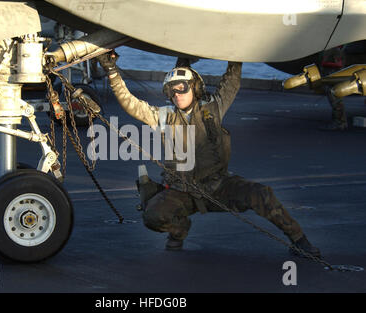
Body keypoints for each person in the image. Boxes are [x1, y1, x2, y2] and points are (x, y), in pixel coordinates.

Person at [97, 52, 321, 258]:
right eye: (171, 90)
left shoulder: (212, 109)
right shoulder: (164, 116)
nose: (177, 94)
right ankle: (179, 230)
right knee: (153, 216)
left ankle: (299, 240)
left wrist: (237, 55)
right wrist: (112, 72)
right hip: (180, 191)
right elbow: (130, 104)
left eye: (182, 88)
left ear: (194, 88)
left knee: (261, 195)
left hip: (217, 186)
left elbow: (231, 83)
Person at [319, 47, 348, 131]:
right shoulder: (332, 49)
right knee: (335, 101)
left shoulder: (334, 50)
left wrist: (325, 63)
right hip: (330, 77)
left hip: (333, 78)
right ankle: (339, 122)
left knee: (336, 101)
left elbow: (339, 64)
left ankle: (340, 123)